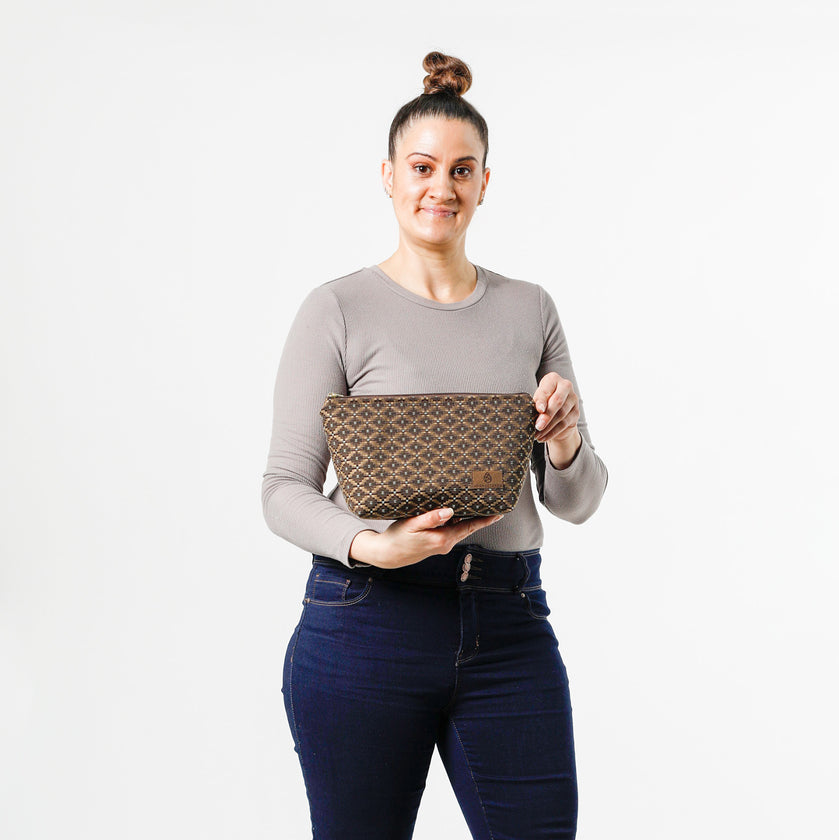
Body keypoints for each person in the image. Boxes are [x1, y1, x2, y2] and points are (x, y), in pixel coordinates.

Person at [261, 50, 608, 840]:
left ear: (485, 183)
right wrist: (371, 548)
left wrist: (565, 441)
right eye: (422, 167)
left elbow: (578, 501)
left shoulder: (531, 309)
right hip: (364, 624)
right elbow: (283, 487)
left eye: (461, 170)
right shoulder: (337, 309)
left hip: (508, 620)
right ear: (388, 175)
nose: (440, 188)